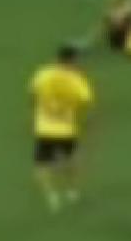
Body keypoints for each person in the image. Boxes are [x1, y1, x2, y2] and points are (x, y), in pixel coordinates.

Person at [28, 45, 95, 212]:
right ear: (73, 60)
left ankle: (51, 195)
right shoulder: (77, 80)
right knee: (72, 160)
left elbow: (33, 95)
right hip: (67, 129)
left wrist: (36, 113)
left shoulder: (42, 74)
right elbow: (86, 101)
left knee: (41, 165)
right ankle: (72, 191)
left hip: (44, 128)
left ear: (57, 58)